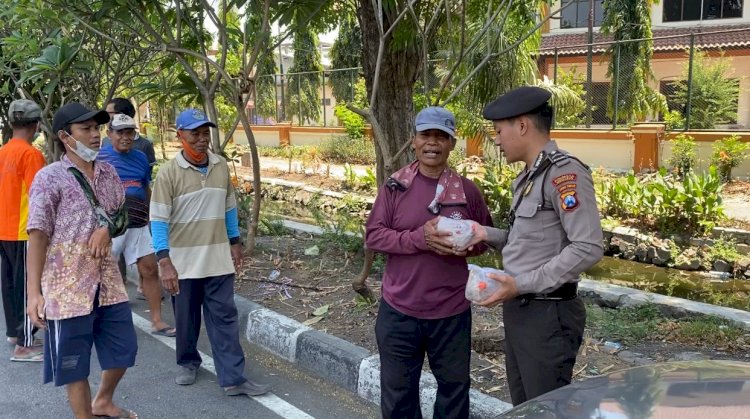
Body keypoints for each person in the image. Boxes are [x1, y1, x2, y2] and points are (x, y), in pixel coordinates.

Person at [460, 86, 604, 406]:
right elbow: (528, 242)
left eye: (499, 131)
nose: (496, 140)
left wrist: (519, 283)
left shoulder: (563, 173)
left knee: (545, 409)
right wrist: (485, 234)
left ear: (522, 126)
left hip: (547, 312)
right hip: (522, 309)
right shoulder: (528, 178)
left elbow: (588, 246)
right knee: (525, 408)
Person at [365, 106, 493, 418]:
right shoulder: (395, 187)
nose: (432, 143)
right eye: (426, 135)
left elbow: (485, 238)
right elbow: (374, 236)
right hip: (399, 312)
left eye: (441, 136)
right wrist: (419, 239)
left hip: (450, 314)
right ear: (414, 141)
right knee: (398, 397)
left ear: (452, 143)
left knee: (454, 392)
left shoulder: (467, 191)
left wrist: (465, 245)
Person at [26, 102, 138, 419]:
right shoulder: (49, 179)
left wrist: (105, 229)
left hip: (108, 285)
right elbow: (37, 236)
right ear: (65, 136)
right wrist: (34, 294)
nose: (95, 135)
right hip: (66, 290)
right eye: (86, 129)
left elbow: (121, 216)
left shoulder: (108, 173)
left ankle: (103, 400)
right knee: (74, 365)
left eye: (97, 128)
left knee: (124, 350)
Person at [150, 108, 271, 396]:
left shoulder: (219, 166)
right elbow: (158, 220)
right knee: (186, 318)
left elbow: (229, 207)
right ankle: (188, 362)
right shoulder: (168, 174)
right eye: (195, 133)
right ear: (180, 135)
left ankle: (233, 378)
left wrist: (234, 241)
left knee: (225, 318)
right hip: (184, 263)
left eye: (206, 133)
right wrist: (164, 261)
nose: (202, 139)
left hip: (218, 260)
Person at [98, 114, 175, 337]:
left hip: (139, 223)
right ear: (109, 133)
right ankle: (102, 321)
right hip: (111, 227)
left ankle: (157, 321)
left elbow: (145, 187)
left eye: (129, 132)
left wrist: (155, 217)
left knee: (150, 269)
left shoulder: (141, 158)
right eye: (120, 132)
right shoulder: (99, 158)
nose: (125, 137)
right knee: (105, 274)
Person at [0, 99, 46, 362]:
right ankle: (24, 345)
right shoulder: (31, 155)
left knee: (9, 286)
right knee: (30, 286)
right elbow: (40, 195)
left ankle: (14, 334)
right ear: (36, 124)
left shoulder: (3, 152)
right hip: (23, 231)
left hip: (4, 230)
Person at [103, 97, 156, 170]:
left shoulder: (145, 145)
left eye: (108, 113)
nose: (125, 138)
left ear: (121, 115)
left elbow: (147, 174)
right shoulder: (105, 141)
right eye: (119, 132)